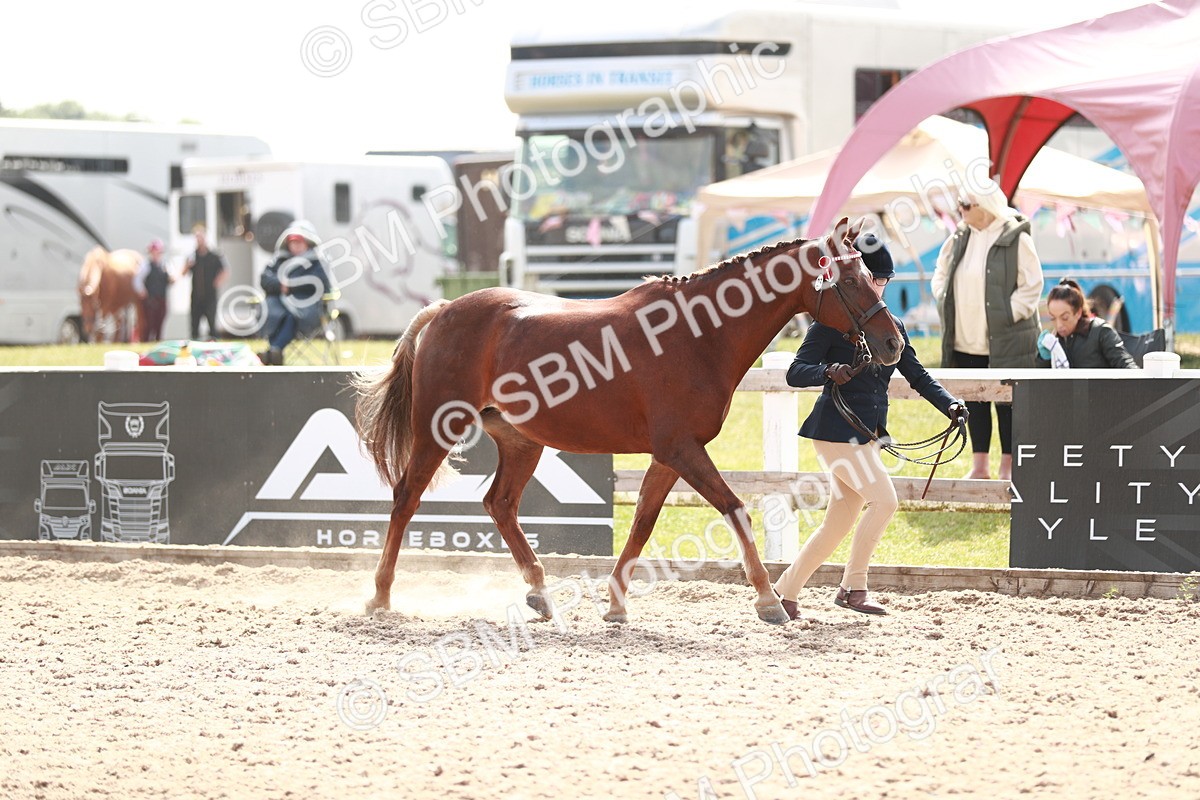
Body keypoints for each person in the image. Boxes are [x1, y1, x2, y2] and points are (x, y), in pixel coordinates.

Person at [773, 234, 967, 619]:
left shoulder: (891, 326)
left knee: (836, 524)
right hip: (835, 431)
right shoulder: (831, 322)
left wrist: (950, 404)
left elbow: (918, 375)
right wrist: (829, 370)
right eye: (872, 279)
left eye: (882, 281)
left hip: (866, 435)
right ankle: (853, 588)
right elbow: (796, 372)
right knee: (885, 501)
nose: (877, 288)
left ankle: (785, 592)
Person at [931, 187, 1043, 480]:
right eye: (960, 204)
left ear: (985, 206)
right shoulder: (959, 235)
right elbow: (940, 272)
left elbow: (1032, 285)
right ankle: (979, 467)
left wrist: (1008, 315)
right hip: (964, 338)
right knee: (973, 399)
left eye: (966, 204)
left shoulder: (1016, 237)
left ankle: (1008, 467)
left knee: (1008, 402)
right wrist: (943, 297)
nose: (961, 209)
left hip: (1007, 338)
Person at [258, 220, 331, 366]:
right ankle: (274, 352)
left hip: (307, 309)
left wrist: (291, 286)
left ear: (307, 243)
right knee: (276, 314)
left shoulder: (317, 262)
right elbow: (265, 279)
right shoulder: (279, 261)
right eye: (293, 242)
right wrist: (281, 285)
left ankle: (274, 350)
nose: (296, 246)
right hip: (277, 307)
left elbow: (320, 283)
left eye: (299, 242)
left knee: (291, 316)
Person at [1038, 278, 1137, 369]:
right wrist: (1044, 359)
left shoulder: (1101, 331)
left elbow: (1125, 364)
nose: (1059, 325)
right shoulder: (1054, 342)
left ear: (1078, 313)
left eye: (1065, 318)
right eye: (1053, 318)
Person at [181, 224, 227, 339]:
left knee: (212, 324)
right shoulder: (192, 256)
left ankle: (214, 343)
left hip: (210, 296)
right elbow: (183, 273)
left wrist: (217, 282)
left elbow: (225, 270)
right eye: (197, 237)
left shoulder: (214, 255)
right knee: (194, 326)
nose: (199, 240)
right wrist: (188, 265)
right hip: (196, 296)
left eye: (201, 237)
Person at [133, 239, 172, 342]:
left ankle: (158, 341)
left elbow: (172, 278)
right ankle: (146, 341)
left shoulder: (165, 265)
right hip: (150, 300)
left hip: (162, 298)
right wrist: (142, 291)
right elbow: (137, 279)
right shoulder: (146, 265)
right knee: (149, 324)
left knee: (159, 324)